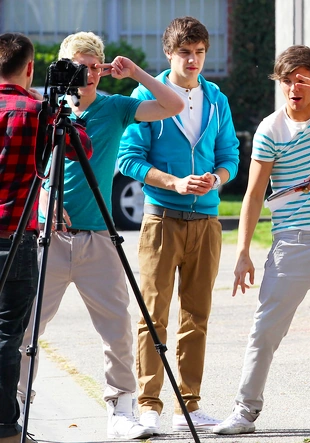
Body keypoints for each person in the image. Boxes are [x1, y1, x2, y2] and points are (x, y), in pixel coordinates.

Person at [17, 31, 184, 440]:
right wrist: (47, 200)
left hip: (99, 236)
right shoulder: (46, 111)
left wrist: (136, 73)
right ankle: (16, 406)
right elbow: (35, 170)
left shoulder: (115, 107)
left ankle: (121, 410)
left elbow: (174, 105)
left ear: (103, 68)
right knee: (27, 328)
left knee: (117, 329)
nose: (88, 75)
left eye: (94, 67)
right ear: (64, 68)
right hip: (49, 236)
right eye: (79, 67)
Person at [212, 44, 310, 435]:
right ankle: (245, 411)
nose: (293, 88)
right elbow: (254, 194)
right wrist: (243, 253)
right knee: (265, 331)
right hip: (291, 245)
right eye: (287, 80)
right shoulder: (271, 129)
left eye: (302, 80)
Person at [118, 16, 239, 433]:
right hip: (161, 219)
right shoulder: (144, 96)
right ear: (169, 54)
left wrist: (215, 180)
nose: (193, 60)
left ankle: (188, 406)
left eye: (200, 52)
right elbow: (128, 159)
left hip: (207, 221)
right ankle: (148, 405)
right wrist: (174, 182)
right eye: (185, 52)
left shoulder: (217, 99)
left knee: (196, 316)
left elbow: (230, 156)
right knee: (153, 315)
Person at [0, 32, 43, 443]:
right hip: (16, 237)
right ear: (29, 67)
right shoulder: (36, 111)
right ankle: (4, 427)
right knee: (7, 337)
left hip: (16, 237)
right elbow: (79, 147)